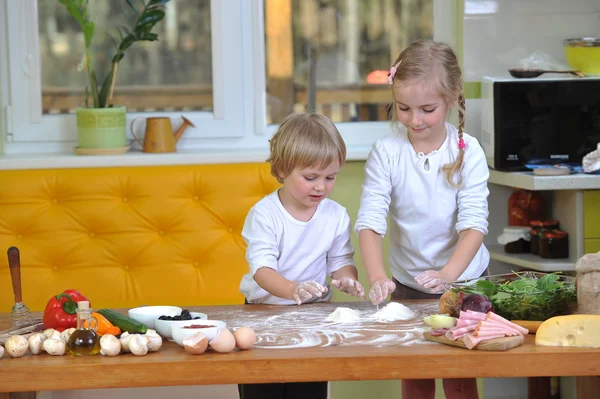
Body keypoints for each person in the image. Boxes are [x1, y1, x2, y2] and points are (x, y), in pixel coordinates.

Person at [355, 39, 490, 399]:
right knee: (416, 375)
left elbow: (474, 224)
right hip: (408, 284)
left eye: (427, 109)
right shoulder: (388, 153)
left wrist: (448, 276)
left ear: (451, 98)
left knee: (459, 377)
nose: (414, 120)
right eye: (403, 108)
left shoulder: (468, 151)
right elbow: (370, 221)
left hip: (465, 283)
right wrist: (379, 277)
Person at [238, 112, 365, 399]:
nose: (321, 186)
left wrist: (346, 279)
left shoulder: (335, 215)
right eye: (311, 177)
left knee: (308, 391)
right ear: (282, 169)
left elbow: (341, 262)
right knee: (263, 392)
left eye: (330, 177)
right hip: (262, 316)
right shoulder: (265, 214)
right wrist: (293, 289)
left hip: (313, 318)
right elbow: (262, 270)